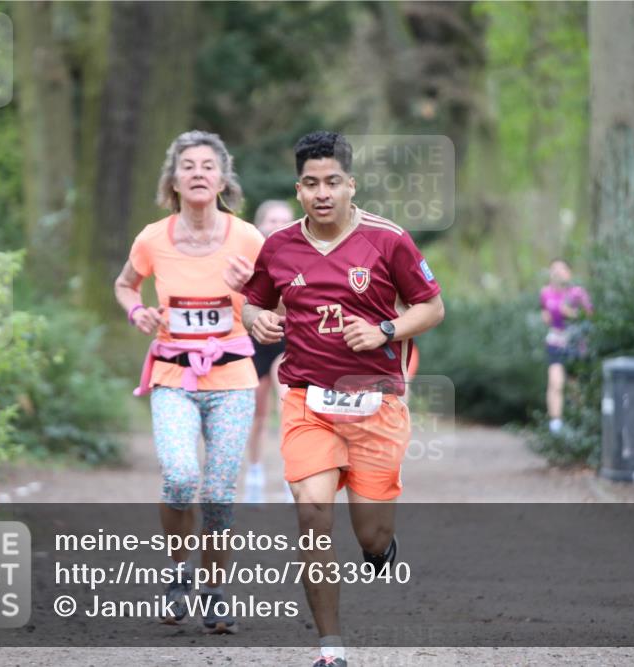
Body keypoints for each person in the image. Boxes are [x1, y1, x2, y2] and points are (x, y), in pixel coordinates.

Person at [241, 131, 445, 667]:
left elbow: (432, 307)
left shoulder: (388, 240)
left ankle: (380, 551)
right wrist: (256, 319)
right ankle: (331, 650)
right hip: (308, 401)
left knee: (372, 535)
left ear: (351, 184)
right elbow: (253, 302)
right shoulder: (280, 245)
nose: (322, 192)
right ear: (299, 188)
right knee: (312, 514)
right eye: (311, 184)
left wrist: (384, 329)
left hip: (375, 404)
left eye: (333, 181)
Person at [113, 130, 264, 633]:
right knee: (179, 478)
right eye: (188, 166)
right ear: (173, 181)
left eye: (207, 166)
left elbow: (280, 303)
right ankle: (179, 575)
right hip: (174, 375)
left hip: (233, 379)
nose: (198, 173)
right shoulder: (152, 238)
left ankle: (215, 590)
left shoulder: (248, 238)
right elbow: (124, 284)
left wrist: (254, 290)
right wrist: (137, 312)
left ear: (223, 179)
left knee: (219, 493)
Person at [243, 200, 294, 503]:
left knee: (289, 407)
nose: (278, 226)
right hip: (254, 340)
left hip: (288, 339)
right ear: (260, 225)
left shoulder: (303, 256)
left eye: (285, 220)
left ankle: (293, 477)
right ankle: (255, 472)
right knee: (258, 413)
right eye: (272, 220)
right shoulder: (247, 258)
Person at [539, 259, 593, 434]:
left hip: (575, 343)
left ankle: (579, 424)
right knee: (555, 382)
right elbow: (546, 315)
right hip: (555, 341)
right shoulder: (545, 293)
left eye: (561, 269)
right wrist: (547, 317)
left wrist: (569, 313)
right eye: (554, 269)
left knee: (575, 386)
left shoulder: (577, 293)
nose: (557, 272)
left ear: (569, 273)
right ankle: (555, 424)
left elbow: (589, 315)